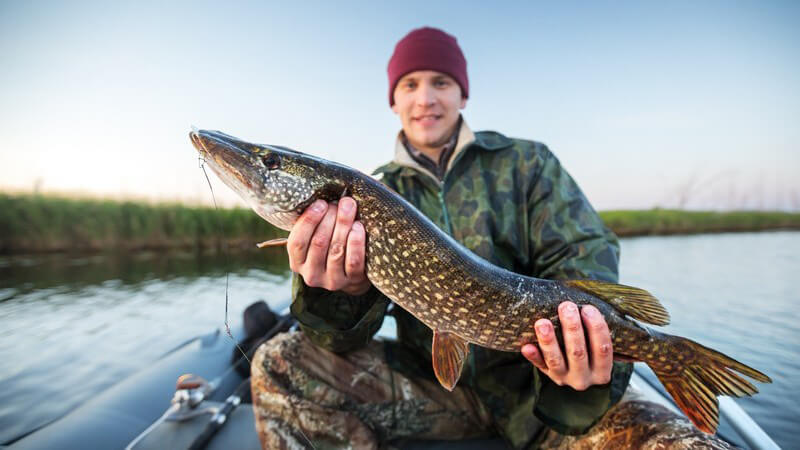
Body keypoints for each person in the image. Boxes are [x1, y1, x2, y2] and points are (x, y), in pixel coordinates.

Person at [249, 27, 729, 449]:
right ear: (393, 100)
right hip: (436, 391)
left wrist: (585, 365)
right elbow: (337, 341)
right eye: (410, 85)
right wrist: (338, 291)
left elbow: (583, 257)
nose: (426, 99)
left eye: (441, 82)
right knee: (276, 363)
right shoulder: (376, 193)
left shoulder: (528, 165)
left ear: (463, 94)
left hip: (543, 396)